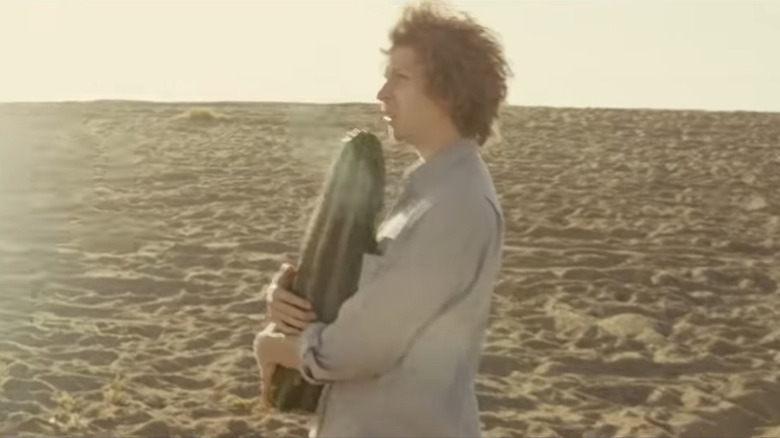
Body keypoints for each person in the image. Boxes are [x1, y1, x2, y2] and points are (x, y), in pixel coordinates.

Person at [253, 1, 511, 436]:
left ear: (449, 91)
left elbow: (358, 348)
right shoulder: (431, 193)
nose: (382, 93)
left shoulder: (454, 206)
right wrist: (291, 298)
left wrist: (277, 346)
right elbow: (364, 301)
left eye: (400, 77)